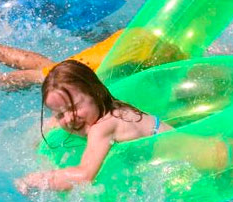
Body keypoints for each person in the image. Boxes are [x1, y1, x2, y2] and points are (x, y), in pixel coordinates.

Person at [15, 60, 173, 194]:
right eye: (60, 114)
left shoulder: (102, 128)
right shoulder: (116, 109)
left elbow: (84, 176)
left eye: (73, 108)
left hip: (180, 168)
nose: (69, 119)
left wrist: (37, 179)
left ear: (95, 92)